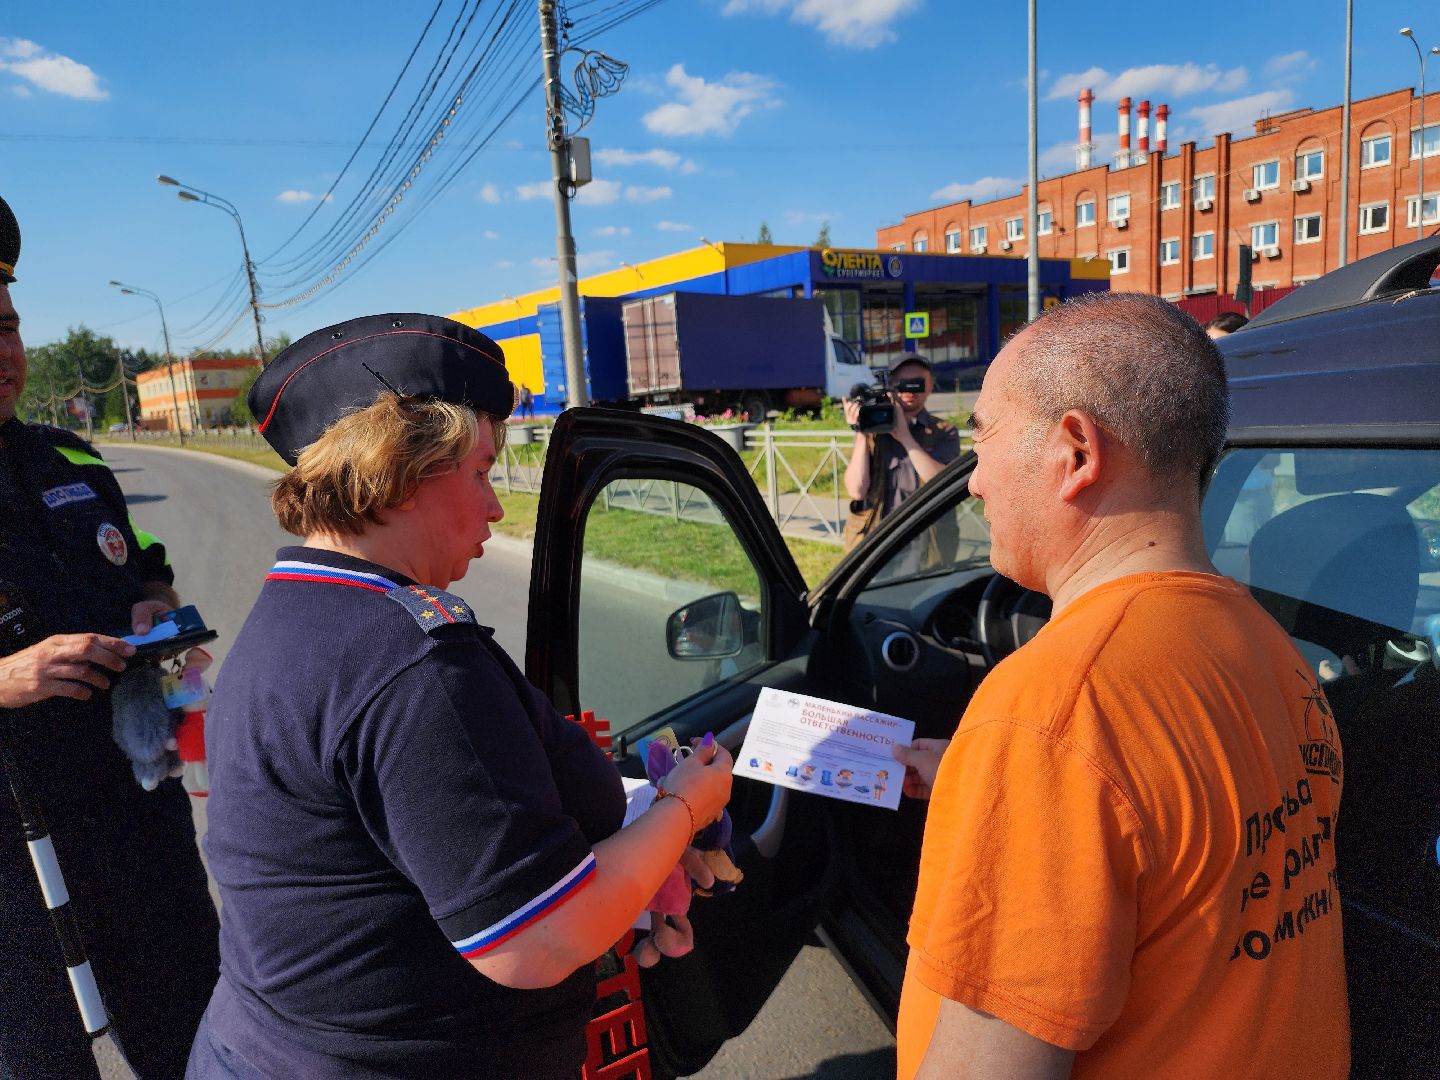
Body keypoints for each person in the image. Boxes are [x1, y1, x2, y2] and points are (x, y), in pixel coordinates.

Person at [187, 313, 733, 1079]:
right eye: (480, 473)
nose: (496, 507)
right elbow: (536, 942)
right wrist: (684, 810)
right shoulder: (409, 664)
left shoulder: (305, 611)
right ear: (403, 472)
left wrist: (633, 864)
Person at [890, 291, 1348, 1079]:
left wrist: (1020, 770)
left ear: (1076, 451)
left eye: (985, 438)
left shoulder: (1053, 711)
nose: (972, 482)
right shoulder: (1263, 641)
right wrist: (983, 783)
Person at [0, 193, 220, 1077]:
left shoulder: (74, 459)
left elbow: (151, 567)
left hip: (139, 825)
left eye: (8, 325)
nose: (3, 352)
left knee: (201, 1039)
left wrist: (154, 612)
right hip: (16, 859)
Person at [841, 354, 960, 550]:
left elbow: (943, 485)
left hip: (926, 543)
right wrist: (861, 433)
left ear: (930, 386)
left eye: (917, 383)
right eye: (902, 383)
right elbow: (856, 490)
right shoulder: (874, 431)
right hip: (876, 540)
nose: (909, 390)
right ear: (890, 387)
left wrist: (905, 437)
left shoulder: (944, 431)